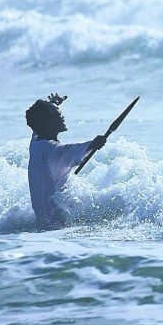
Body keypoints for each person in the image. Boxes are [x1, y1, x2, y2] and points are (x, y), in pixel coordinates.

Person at [25, 93, 106, 229]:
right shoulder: (53, 151)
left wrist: (54, 103)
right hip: (56, 225)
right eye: (57, 113)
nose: (62, 115)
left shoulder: (36, 143)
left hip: (42, 223)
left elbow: (41, 121)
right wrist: (93, 144)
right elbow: (70, 150)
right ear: (48, 123)